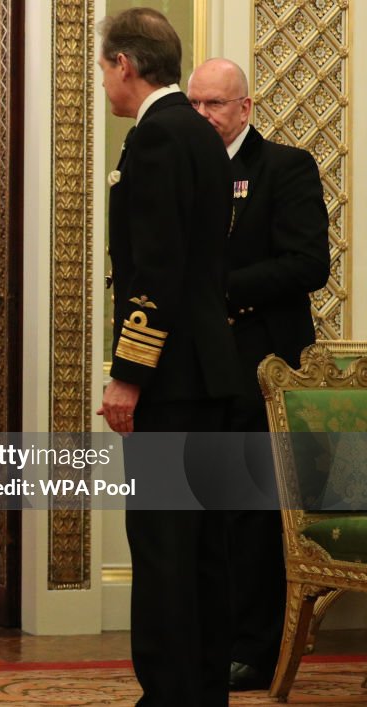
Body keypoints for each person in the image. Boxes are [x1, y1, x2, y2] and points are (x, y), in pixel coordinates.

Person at [96, 9, 241, 706]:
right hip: (211, 372)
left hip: (170, 379)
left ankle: (169, 694)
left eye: (104, 68)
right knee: (204, 548)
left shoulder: (154, 138)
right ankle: (204, 687)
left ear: (123, 64)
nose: (103, 83)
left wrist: (128, 375)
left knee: (162, 545)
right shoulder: (207, 135)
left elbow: (154, 274)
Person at [188, 58, 330, 692]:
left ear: (245, 108)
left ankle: (255, 648)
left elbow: (308, 264)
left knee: (254, 513)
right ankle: (213, 639)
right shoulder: (185, 171)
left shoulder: (284, 168)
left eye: (215, 104)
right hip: (198, 366)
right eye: (194, 105)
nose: (204, 116)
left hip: (263, 366)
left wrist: (218, 292)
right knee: (210, 507)